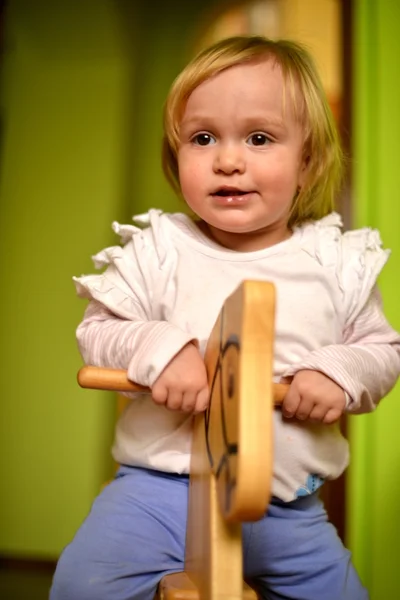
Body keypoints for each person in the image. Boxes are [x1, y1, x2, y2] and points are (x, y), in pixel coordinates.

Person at [50, 35, 400, 600]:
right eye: (203, 137)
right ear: (177, 155)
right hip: (156, 495)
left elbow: (382, 351)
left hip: (288, 509)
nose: (229, 159)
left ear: (307, 163)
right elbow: (98, 332)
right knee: (81, 585)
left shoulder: (336, 262)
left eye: (259, 138)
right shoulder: (157, 250)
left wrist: (338, 370)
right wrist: (162, 348)